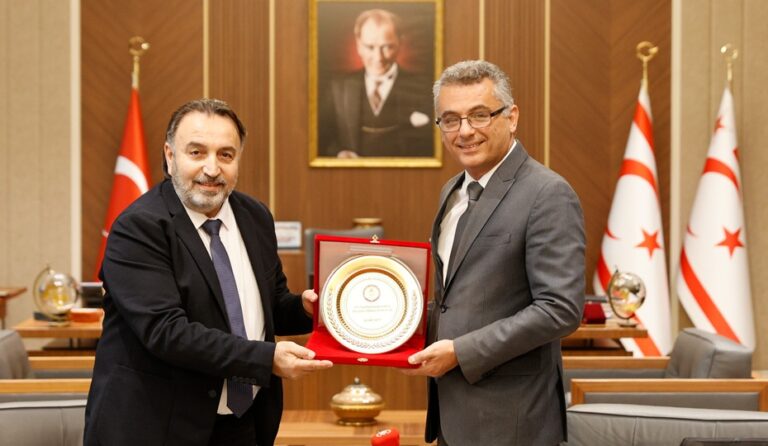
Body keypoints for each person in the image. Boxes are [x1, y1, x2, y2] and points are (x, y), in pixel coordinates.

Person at [84, 99, 333, 446]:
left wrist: (306, 309)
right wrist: (266, 359)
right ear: (170, 156)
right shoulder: (138, 227)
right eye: (197, 153)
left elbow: (268, 305)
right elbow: (167, 332)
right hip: (157, 426)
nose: (212, 169)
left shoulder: (255, 216)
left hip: (243, 425)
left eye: (225, 155)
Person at [405, 61, 586, 445]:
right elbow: (455, 301)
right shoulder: (453, 191)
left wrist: (461, 352)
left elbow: (560, 309)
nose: (465, 131)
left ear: (512, 117)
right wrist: (396, 331)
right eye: (450, 120)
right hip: (452, 415)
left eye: (479, 115)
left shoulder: (547, 193)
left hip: (512, 421)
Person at [318, 8, 433, 158]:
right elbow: (320, 140)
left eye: (387, 47)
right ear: (358, 45)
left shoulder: (425, 89)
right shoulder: (338, 88)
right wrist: (338, 153)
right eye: (370, 47)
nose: (378, 57)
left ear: (400, 43)